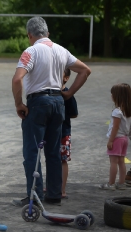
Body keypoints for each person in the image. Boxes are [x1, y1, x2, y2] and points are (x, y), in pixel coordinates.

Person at [11, 16, 91, 207]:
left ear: (30, 35)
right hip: (57, 101)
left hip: (38, 102)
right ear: (48, 33)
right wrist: (69, 93)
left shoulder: (31, 51)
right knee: (53, 152)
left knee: (32, 152)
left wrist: (19, 104)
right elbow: (85, 70)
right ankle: (54, 194)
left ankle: (34, 195)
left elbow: (17, 79)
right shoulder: (62, 50)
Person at [99, 83, 131, 190]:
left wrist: (110, 141)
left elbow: (115, 127)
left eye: (112, 94)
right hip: (125, 139)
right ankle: (121, 183)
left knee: (113, 162)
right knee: (121, 161)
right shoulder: (127, 111)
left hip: (117, 139)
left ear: (117, 96)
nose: (111, 96)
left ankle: (111, 183)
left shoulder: (117, 112)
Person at [60, 68, 78, 199]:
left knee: (62, 160)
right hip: (51, 133)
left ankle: (62, 189)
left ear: (66, 78)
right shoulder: (50, 92)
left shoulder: (68, 94)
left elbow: (74, 113)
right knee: (51, 159)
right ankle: (51, 185)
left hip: (63, 132)